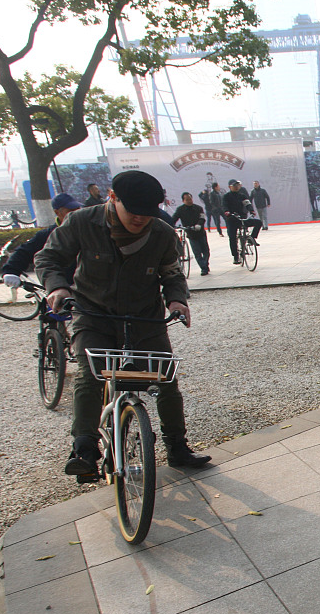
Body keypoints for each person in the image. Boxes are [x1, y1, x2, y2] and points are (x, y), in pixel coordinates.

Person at [34, 170, 211, 478]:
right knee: (89, 375)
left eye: (147, 212)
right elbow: (47, 258)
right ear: (113, 198)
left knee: (166, 379)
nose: (140, 218)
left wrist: (176, 300)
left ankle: (177, 447)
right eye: (133, 211)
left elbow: (172, 273)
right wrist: (57, 287)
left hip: (144, 318)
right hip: (93, 315)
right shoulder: (82, 222)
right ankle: (84, 448)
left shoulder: (162, 233)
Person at [1, 193, 81, 288]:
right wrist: (11, 271)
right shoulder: (48, 235)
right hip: (66, 286)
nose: (76, 213)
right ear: (57, 212)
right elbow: (24, 252)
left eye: (78, 209)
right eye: (70, 211)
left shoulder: (88, 228)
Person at [223, 179, 261, 264]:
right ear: (229, 187)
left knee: (258, 222)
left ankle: (251, 239)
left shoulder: (242, 195)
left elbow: (247, 204)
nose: (236, 187)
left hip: (242, 218)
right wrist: (227, 212)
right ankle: (236, 256)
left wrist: (251, 210)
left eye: (237, 185)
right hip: (232, 219)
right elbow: (224, 206)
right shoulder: (226, 196)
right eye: (234, 186)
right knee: (232, 237)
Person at [172, 191, 210, 275]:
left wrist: (199, 225)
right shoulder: (180, 210)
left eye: (190, 199)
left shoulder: (198, 208)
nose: (189, 201)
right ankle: (203, 268)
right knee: (197, 253)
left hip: (200, 232)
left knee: (206, 251)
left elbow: (202, 218)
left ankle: (205, 264)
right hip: (191, 234)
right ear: (183, 201)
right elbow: (174, 218)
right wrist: (171, 225)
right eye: (187, 200)